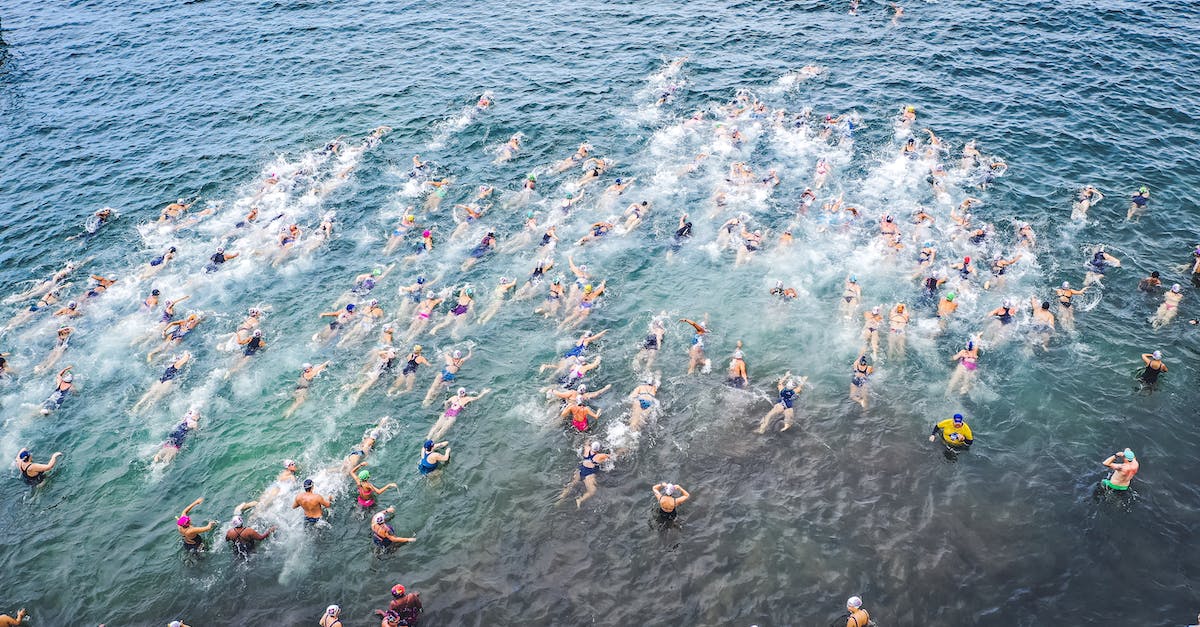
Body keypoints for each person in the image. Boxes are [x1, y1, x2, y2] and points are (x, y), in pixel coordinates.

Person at [557, 441, 611, 508]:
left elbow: (586, 443)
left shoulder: (587, 449)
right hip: (589, 474)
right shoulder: (599, 456)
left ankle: (561, 498)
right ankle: (580, 500)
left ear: (591, 447)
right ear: (598, 449)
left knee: (572, 484)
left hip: (580, 470)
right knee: (592, 491)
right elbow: (612, 456)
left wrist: (588, 439)